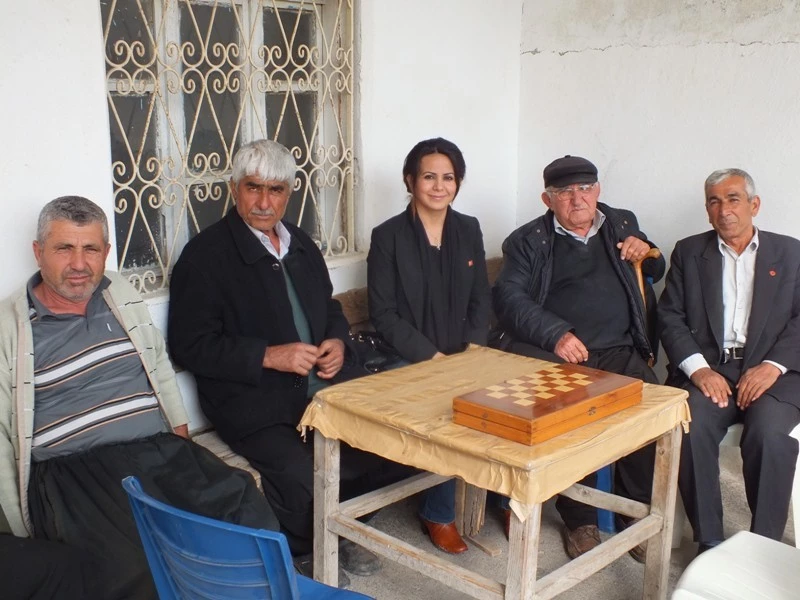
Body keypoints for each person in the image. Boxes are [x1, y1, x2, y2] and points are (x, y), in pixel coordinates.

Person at [0, 196, 280, 600]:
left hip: (156, 451)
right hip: (74, 473)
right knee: (134, 566)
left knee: (241, 507)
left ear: (106, 252)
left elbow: (158, 365)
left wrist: (181, 444)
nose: (79, 263)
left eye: (90, 249)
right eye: (64, 248)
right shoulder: (11, 326)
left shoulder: (120, 292)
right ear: (38, 251)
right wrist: (20, 521)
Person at [168, 139, 410, 584]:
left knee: (391, 443)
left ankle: (346, 527)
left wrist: (337, 342)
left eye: (275, 190)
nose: (264, 202)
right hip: (253, 400)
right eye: (253, 187)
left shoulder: (300, 243)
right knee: (299, 474)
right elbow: (189, 345)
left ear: (289, 194)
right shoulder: (205, 257)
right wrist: (267, 355)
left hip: (324, 383)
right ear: (234, 189)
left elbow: (329, 308)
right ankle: (308, 546)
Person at [492, 155, 665, 561]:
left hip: (620, 349)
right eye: (565, 192)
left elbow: (653, 270)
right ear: (547, 199)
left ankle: (633, 513)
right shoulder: (527, 240)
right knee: (573, 421)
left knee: (651, 412)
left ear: (598, 190)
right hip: (564, 358)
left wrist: (647, 251)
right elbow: (508, 297)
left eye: (585, 189)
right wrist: (555, 334)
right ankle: (579, 519)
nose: (577, 199)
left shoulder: (621, 222)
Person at [658, 168, 800, 555]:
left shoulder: (790, 253)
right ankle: (709, 541)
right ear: (707, 211)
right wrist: (699, 369)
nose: (724, 210)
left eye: (733, 199)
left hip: (774, 373)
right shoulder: (689, 252)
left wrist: (773, 366)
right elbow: (670, 317)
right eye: (714, 201)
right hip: (712, 369)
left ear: (754, 205)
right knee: (690, 425)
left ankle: (763, 546)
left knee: (768, 434)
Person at [367, 137, 490, 554]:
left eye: (448, 178)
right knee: (446, 405)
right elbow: (383, 314)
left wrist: (475, 350)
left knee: (505, 392)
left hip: (464, 351)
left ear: (458, 183)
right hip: (409, 354)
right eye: (429, 177)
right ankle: (438, 514)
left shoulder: (468, 228)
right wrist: (433, 358)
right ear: (410, 181)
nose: (439, 187)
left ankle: (507, 500)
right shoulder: (388, 236)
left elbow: (480, 298)